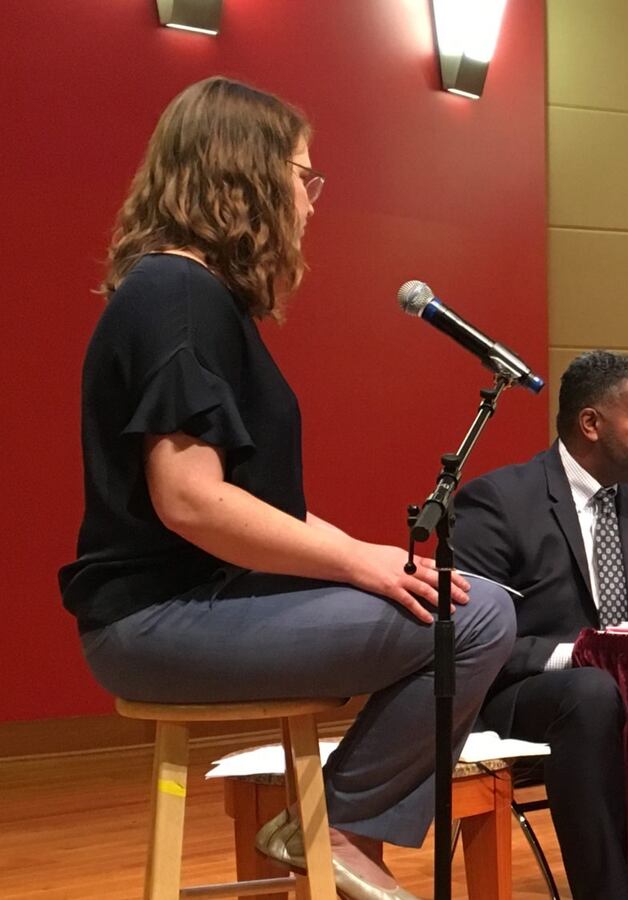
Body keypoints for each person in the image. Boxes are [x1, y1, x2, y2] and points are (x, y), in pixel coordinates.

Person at [59, 77, 516, 900]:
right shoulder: (179, 295)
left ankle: (330, 828)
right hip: (157, 624)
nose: (310, 201)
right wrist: (356, 563)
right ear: (244, 178)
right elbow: (191, 500)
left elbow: (250, 502)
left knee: (456, 599)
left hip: (185, 613)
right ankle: (336, 830)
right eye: (302, 177)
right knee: (476, 617)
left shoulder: (190, 296)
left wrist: (371, 558)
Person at [452, 349, 628, 900]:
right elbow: (471, 644)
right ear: (592, 423)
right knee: (590, 691)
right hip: (518, 698)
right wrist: (582, 653)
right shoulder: (499, 502)